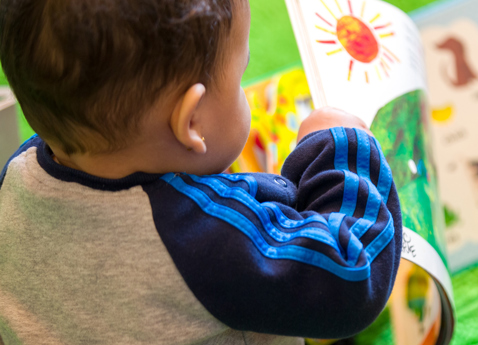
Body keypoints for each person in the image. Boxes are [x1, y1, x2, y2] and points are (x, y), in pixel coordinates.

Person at [0, 0, 403, 344]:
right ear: (191, 123)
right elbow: (350, 273)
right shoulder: (198, 238)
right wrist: (342, 148)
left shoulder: (15, 180)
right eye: (240, 76)